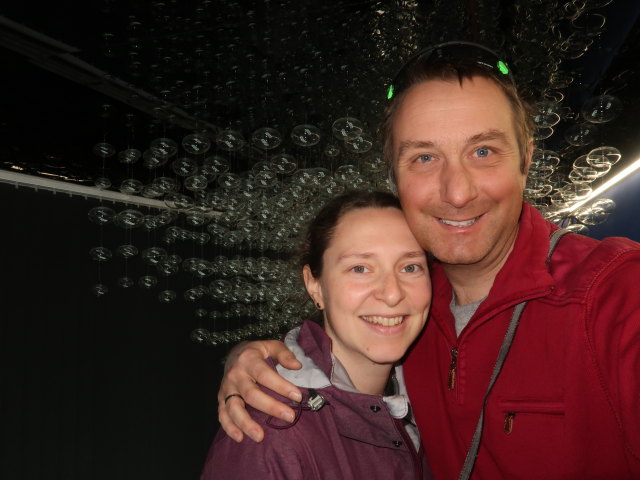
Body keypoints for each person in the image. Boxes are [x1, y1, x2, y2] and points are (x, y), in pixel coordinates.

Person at [217, 42, 640, 479]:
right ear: (394, 175)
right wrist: (247, 358)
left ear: (526, 158)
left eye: (483, 151)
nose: (457, 193)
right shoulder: (407, 310)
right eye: (424, 157)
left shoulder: (618, 293)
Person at [202, 191, 433, 479]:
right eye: (360, 268)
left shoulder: (434, 392)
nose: (392, 293)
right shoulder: (272, 429)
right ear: (315, 285)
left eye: (410, 267)